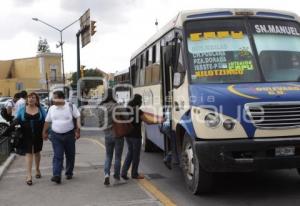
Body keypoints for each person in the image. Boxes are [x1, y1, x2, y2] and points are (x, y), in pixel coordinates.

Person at [7, 92, 46, 185]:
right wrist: (8, 130)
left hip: (38, 134)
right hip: (26, 134)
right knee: (29, 153)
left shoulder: (41, 109)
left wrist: (46, 132)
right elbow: (16, 120)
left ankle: (37, 169)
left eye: (33, 97)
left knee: (37, 152)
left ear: (36, 100)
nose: (31, 99)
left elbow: (46, 121)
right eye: (29, 97)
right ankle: (29, 175)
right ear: (27, 99)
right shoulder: (22, 109)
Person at [121, 94, 164, 180]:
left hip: (127, 135)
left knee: (130, 153)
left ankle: (124, 172)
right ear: (138, 102)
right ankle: (134, 174)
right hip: (136, 136)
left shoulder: (126, 110)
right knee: (136, 156)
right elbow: (148, 122)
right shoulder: (138, 111)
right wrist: (160, 121)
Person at [42, 90, 81, 184]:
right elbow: (47, 121)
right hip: (56, 135)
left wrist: (78, 130)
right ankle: (57, 175)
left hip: (69, 134)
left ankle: (69, 172)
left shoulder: (71, 106)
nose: (53, 100)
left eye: (55, 97)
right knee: (57, 155)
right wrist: (44, 132)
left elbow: (78, 117)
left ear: (61, 98)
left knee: (70, 155)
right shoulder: (52, 108)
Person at [98, 88, 124, 186]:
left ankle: (106, 175)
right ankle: (117, 178)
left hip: (107, 135)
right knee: (117, 157)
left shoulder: (101, 108)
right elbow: (126, 117)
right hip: (118, 134)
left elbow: (100, 124)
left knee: (108, 156)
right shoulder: (117, 106)